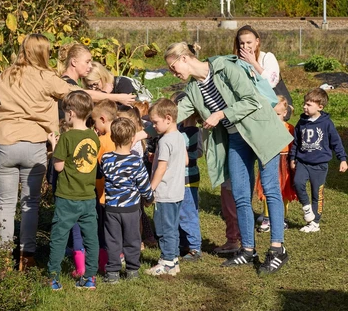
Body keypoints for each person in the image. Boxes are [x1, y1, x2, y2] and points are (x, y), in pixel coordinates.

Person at [145, 42, 293, 275]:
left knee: (271, 189)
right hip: (236, 139)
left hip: (262, 131)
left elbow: (252, 100)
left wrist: (221, 114)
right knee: (241, 194)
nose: (173, 73)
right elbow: (174, 116)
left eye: (173, 67)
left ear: (184, 58)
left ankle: (277, 248)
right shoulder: (193, 89)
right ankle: (247, 248)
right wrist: (140, 131)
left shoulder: (224, 67)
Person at [0, 33, 82, 271]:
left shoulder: (4, 75)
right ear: (43, 52)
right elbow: (73, 93)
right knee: (30, 203)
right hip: (34, 144)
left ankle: (3, 257)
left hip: (5, 143)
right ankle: (26, 257)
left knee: (5, 204)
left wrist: (2, 124)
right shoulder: (47, 77)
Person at [47, 91, 100, 291]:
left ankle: (53, 277)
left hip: (67, 197)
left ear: (70, 113)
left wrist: (54, 146)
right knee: (91, 237)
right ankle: (90, 277)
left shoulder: (67, 137)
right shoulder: (93, 137)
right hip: (88, 197)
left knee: (59, 236)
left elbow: (59, 167)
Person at [101, 117, 154, 283]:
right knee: (132, 239)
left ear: (112, 137)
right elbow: (144, 183)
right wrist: (149, 198)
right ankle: (132, 270)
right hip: (131, 207)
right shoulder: (136, 160)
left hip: (111, 208)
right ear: (133, 138)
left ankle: (112, 272)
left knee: (112, 240)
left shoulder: (106, 158)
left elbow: (104, 176)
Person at [290, 88, 347, 233]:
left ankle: (314, 223)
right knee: (298, 182)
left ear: (320, 107)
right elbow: (296, 142)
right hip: (303, 162)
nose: (304, 107)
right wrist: (293, 157)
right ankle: (307, 208)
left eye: (309, 104)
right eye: (304, 103)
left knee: (318, 194)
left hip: (320, 165)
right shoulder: (301, 122)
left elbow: (336, 143)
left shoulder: (327, 123)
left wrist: (343, 159)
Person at [145, 99, 188, 276]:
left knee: (164, 229)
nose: (153, 126)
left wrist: (150, 189)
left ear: (168, 118)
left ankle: (167, 262)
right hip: (177, 192)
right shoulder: (179, 137)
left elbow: (161, 168)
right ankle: (174, 259)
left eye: (155, 122)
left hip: (165, 193)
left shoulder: (164, 141)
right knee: (173, 227)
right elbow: (185, 160)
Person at [171, 91, 203, 262]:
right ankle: (183, 242)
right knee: (179, 211)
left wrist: (181, 155)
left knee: (188, 212)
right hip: (177, 178)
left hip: (189, 179)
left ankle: (195, 247)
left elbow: (198, 153)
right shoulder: (178, 129)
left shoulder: (195, 132)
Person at [256, 95, 297, 233]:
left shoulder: (290, 128)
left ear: (285, 113)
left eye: (278, 114)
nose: (275, 117)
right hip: (269, 160)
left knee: (284, 190)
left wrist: (293, 161)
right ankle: (267, 217)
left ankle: (281, 218)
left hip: (284, 162)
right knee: (267, 188)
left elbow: (294, 146)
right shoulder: (265, 127)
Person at [59, 45, 136, 112]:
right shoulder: (66, 83)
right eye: (87, 62)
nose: (90, 66)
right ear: (74, 62)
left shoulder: (67, 82)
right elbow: (85, 96)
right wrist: (117, 97)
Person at [90, 99, 118, 272]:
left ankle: (104, 259)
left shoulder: (101, 141)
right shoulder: (121, 137)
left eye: (95, 123)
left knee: (103, 228)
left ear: (102, 119)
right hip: (119, 193)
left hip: (102, 193)